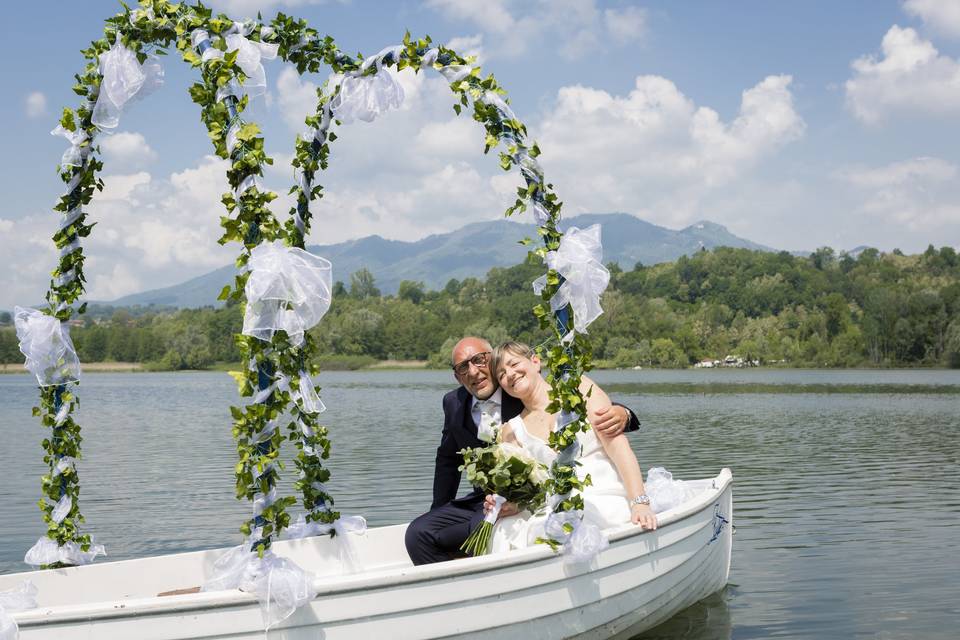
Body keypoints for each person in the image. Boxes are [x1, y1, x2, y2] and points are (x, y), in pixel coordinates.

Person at [404, 336, 640, 565]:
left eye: (478, 360)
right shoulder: (453, 403)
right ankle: (457, 592)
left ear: (491, 359)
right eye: (463, 367)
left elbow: (586, 412)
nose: (473, 371)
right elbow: (446, 461)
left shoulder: (519, 388)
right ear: (457, 376)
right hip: (489, 498)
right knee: (417, 534)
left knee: (491, 529)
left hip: (530, 498)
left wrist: (623, 413)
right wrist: (439, 510)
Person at [483, 341, 656, 552]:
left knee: (568, 519)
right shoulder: (510, 431)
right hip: (553, 506)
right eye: (501, 374)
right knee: (504, 528)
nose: (509, 374)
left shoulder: (578, 388)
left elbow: (618, 447)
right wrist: (508, 504)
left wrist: (640, 501)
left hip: (604, 496)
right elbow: (529, 492)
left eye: (513, 364)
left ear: (535, 361)